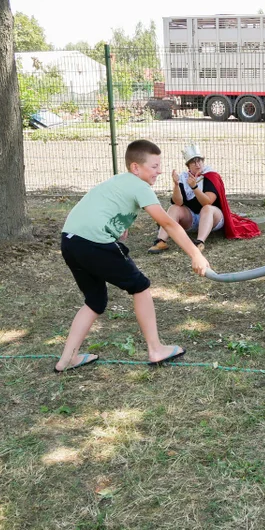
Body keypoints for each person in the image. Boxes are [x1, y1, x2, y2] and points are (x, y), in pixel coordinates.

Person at [55, 139, 209, 373]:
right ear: (136, 167)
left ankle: (67, 359)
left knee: (95, 301)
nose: (159, 171)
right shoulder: (140, 186)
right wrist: (194, 254)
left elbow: (102, 207)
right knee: (140, 286)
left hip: (70, 241)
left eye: (160, 166)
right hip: (93, 242)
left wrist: (118, 229)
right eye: (154, 166)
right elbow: (168, 223)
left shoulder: (119, 181)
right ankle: (155, 349)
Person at [148, 144, 260, 253]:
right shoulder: (184, 178)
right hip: (191, 219)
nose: (197, 164)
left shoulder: (211, 175)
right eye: (193, 162)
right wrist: (176, 185)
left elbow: (208, 201)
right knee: (174, 207)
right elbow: (179, 202)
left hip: (213, 219)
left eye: (199, 161)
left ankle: (199, 242)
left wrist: (194, 187)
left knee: (207, 208)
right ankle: (161, 241)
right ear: (188, 166)